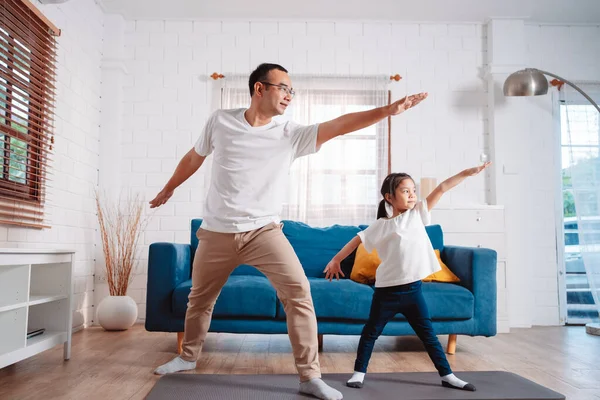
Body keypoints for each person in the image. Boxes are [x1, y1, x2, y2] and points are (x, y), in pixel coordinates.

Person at [149, 62, 428, 400]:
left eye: (292, 91)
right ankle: (188, 357)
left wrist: (388, 110)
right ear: (259, 89)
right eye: (284, 88)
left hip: (264, 233)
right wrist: (169, 188)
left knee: (299, 294)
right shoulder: (220, 121)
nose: (289, 96)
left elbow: (339, 125)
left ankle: (310, 377)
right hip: (216, 233)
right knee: (199, 300)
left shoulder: (290, 134)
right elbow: (194, 158)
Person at [323, 162, 492, 392]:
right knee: (371, 333)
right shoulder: (381, 225)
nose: (412, 195)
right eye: (405, 191)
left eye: (413, 190)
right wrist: (335, 260)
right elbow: (357, 240)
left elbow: (442, 188)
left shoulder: (417, 215)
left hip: (413, 291)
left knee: (429, 336)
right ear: (389, 197)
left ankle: (448, 375)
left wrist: (466, 173)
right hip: (386, 293)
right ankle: (358, 373)